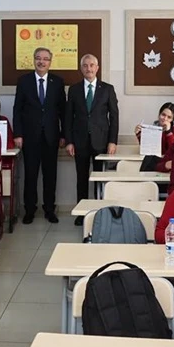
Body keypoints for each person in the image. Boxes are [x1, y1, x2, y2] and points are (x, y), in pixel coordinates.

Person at [12, 46, 66, 223]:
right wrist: (18, 134)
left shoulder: (57, 82)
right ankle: (30, 210)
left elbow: (63, 111)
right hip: (30, 137)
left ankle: (49, 209)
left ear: (50, 62)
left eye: (45, 59)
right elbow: (17, 109)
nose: (41, 62)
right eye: (38, 58)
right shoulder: (24, 81)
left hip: (51, 136)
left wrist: (63, 135)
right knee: (30, 174)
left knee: (50, 176)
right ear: (33, 60)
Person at [65, 54, 120, 224]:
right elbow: (68, 117)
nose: (88, 68)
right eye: (85, 65)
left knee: (99, 180)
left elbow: (114, 116)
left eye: (91, 65)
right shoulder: (74, 90)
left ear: (97, 68)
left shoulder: (107, 89)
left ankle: (99, 214)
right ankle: (82, 214)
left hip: (101, 142)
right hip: (79, 141)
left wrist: (113, 141)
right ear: (81, 68)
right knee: (81, 179)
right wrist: (69, 141)